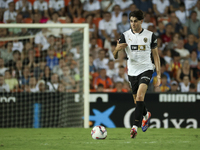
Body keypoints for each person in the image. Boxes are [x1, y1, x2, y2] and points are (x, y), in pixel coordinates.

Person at [112, 10, 160, 138]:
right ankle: (146, 115)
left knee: (139, 97)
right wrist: (117, 48)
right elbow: (115, 56)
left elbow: (156, 56)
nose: (133, 24)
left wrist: (159, 74)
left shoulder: (150, 35)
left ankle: (134, 127)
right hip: (132, 72)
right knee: (137, 101)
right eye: (131, 21)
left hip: (147, 69)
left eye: (135, 21)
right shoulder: (125, 35)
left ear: (141, 21)